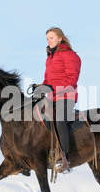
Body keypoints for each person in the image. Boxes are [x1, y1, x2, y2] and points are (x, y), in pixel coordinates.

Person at [34, 27, 82, 173]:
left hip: (66, 96)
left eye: (51, 37)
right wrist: (41, 87)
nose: (49, 40)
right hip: (51, 97)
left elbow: (71, 78)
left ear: (60, 38)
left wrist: (51, 87)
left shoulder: (70, 55)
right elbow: (47, 79)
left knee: (59, 119)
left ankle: (65, 159)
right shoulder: (50, 58)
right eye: (47, 38)